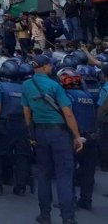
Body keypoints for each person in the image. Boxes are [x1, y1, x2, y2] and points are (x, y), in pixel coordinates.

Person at [21, 55, 83, 224]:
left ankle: (45, 214)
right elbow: (68, 114)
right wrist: (77, 136)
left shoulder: (26, 86)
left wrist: (31, 132)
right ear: (46, 67)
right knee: (64, 175)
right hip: (60, 133)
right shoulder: (55, 85)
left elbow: (27, 112)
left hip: (40, 132)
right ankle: (67, 217)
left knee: (44, 175)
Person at [0, 59, 30, 196]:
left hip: (5, 123)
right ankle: (21, 186)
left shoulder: (0, 87)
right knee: (21, 156)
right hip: (22, 124)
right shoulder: (24, 87)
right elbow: (28, 109)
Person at [59, 67, 99, 211]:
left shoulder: (66, 96)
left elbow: (67, 116)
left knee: (68, 170)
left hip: (74, 137)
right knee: (88, 171)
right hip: (91, 136)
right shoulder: (87, 95)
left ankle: (70, 201)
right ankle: (86, 200)